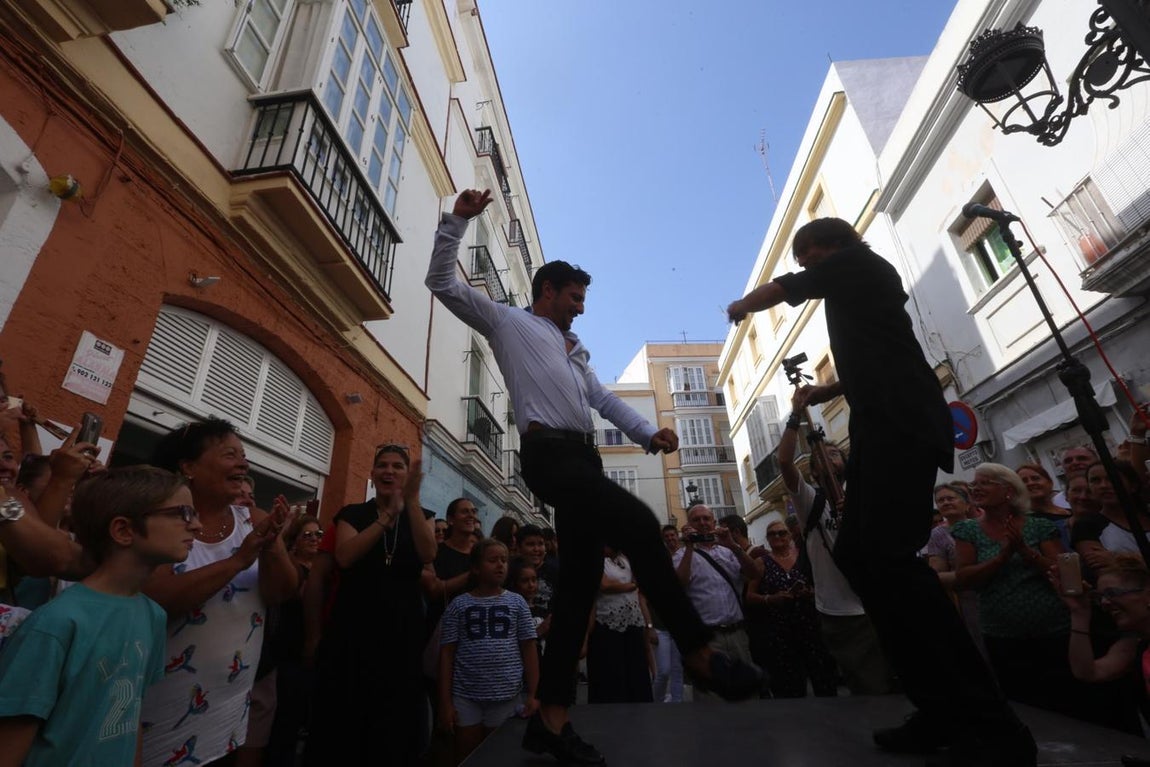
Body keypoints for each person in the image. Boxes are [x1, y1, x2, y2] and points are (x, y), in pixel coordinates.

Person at [429, 190, 760, 765]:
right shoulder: (507, 321)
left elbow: (602, 399)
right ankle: (700, 651)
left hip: (582, 457)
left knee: (580, 587)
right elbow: (443, 283)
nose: (580, 308)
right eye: (574, 298)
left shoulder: (573, 349)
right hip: (548, 456)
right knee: (636, 520)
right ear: (547, 292)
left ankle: (551, 722)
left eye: (583, 300)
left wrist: (646, 432)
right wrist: (457, 221)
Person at [727, 217, 1032, 765]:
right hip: (881, 425)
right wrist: (833, 387)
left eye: (807, 256)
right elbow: (888, 355)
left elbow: (781, 290)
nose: (805, 267)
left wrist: (740, 308)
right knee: (859, 556)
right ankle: (938, 707)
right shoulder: (859, 289)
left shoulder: (856, 263)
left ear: (829, 248)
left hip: (901, 426)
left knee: (889, 560)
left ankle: (985, 720)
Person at [0, 466, 195, 766]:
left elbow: (132, 714)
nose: (196, 525)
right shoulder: (56, 622)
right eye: (182, 513)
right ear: (124, 530)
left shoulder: (152, 615)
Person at [141, 418, 297, 767]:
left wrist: (271, 546)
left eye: (243, 455)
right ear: (188, 466)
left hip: (227, 711)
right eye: (230, 454)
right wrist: (238, 561)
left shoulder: (253, 518)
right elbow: (160, 600)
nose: (243, 463)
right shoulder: (158, 519)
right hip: (161, 710)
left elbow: (280, 593)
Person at [304, 444, 436, 766]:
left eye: (398, 466)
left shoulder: (423, 517)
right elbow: (345, 557)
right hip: (352, 633)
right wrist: (386, 517)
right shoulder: (353, 514)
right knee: (344, 724)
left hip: (401, 638)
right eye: (383, 466)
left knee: (392, 728)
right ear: (373, 474)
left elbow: (429, 553)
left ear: (407, 475)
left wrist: (412, 504)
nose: (389, 471)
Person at [776, 401, 892, 695]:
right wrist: (795, 417)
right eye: (821, 457)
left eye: (834, 454)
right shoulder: (810, 502)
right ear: (814, 472)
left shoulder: (866, 497)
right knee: (865, 686)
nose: (829, 459)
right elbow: (785, 463)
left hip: (880, 602)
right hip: (841, 611)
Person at [951, 464, 1072, 716]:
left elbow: (1062, 570)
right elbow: (964, 578)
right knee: (1021, 701)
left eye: (985, 482)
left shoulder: (1038, 526)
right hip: (1002, 633)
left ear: (1008, 490)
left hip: (1053, 628)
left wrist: (1026, 552)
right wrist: (1001, 557)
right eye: (974, 483)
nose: (975, 487)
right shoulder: (968, 531)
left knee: (1064, 697)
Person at [438, 538, 538, 765]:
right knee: (468, 755)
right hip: (466, 697)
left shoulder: (517, 603)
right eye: (492, 560)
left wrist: (534, 693)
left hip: (506, 696)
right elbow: (447, 654)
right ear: (475, 568)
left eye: (504, 560)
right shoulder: (459, 605)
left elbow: (529, 648)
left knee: (500, 756)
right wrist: (445, 703)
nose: (500, 565)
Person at [674, 503, 762, 703]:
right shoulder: (681, 555)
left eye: (706, 518)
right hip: (708, 639)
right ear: (689, 525)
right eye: (696, 520)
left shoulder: (729, 551)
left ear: (714, 522)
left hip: (737, 634)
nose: (702, 523)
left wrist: (733, 545)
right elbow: (679, 584)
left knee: (747, 695)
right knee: (711, 700)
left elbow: (754, 574)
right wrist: (688, 547)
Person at [746, 517, 838, 698]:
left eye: (782, 532)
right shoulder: (762, 562)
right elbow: (749, 596)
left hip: (811, 628)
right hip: (780, 633)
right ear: (767, 538)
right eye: (772, 534)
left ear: (789, 535)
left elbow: (823, 583)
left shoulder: (805, 556)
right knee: (788, 685)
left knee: (823, 679)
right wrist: (771, 599)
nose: (777, 536)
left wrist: (810, 592)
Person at [264, 515, 321, 767]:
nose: (313, 539)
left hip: (315, 653)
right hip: (290, 650)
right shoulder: (291, 567)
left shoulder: (321, 569)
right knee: (286, 718)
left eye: (318, 534)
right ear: (294, 540)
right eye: (307, 534)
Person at [586, 547, 653, 703]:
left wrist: (648, 625)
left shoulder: (626, 559)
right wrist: (630, 585)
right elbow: (605, 585)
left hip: (632, 621)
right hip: (607, 624)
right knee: (612, 676)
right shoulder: (595, 559)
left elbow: (641, 582)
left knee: (635, 675)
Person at [651, 524, 685, 703]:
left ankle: (677, 703)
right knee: (663, 671)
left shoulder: (685, 556)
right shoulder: (659, 560)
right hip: (660, 623)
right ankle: (657, 701)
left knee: (677, 668)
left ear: (677, 536)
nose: (671, 539)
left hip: (678, 622)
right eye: (667, 536)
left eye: (673, 535)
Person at [1018, 463, 1071, 549]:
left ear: (1050, 482)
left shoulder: (1071, 512)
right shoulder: (1025, 522)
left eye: (1035, 478)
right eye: (1024, 481)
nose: (1030, 483)